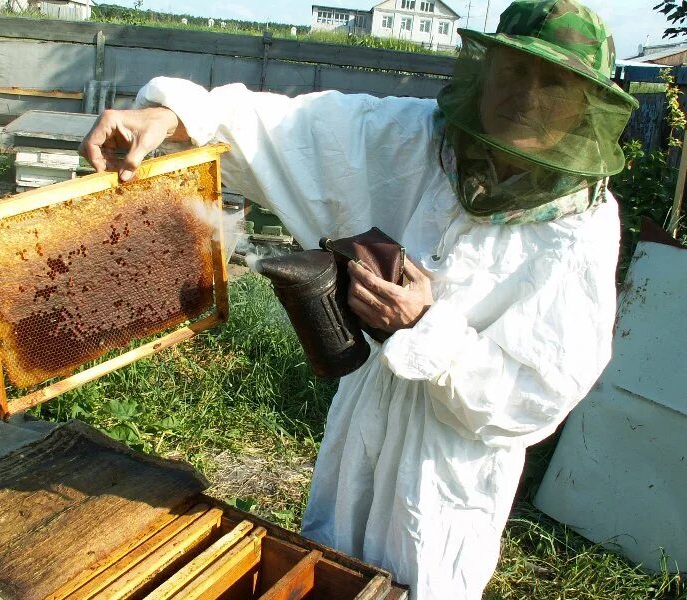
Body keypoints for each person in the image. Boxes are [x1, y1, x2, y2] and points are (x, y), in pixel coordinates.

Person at [79, 1, 637, 597]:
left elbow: (538, 396)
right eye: (515, 71)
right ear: (487, 68)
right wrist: (172, 115)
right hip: (361, 428)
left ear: (585, 103)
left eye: (553, 82)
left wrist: (428, 329)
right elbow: (291, 130)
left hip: (446, 476)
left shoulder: (579, 229)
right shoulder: (416, 138)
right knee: (325, 571)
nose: (525, 94)